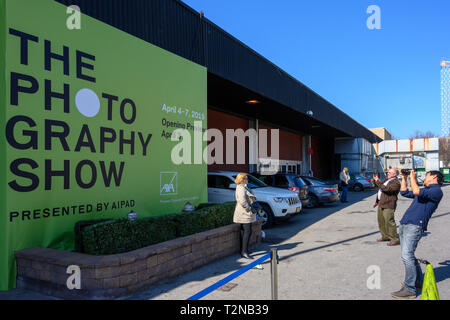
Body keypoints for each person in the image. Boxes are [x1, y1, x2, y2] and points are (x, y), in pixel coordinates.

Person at [391, 170, 444, 299]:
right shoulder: (426, 190)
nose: (424, 177)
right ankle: (418, 281)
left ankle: (409, 289)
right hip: (406, 224)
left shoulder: (436, 191)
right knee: (409, 255)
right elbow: (404, 192)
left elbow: (415, 191)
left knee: (406, 255)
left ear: (434, 177)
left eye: (427, 175)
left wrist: (412, 177)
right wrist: (404, 178)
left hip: (415, 225)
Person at [373, 168, 401, 246]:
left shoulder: (396, 182)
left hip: (388, 204)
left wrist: (378, 182)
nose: (387, 173)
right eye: (387, 172)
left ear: (395, 174)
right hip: (381, 203)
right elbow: (379, 186)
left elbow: (387, 189)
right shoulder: (386, 180)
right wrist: (375, 180)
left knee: (389, 222)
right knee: (381, 221)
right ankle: (385, 236)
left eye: (389, 172)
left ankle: (394, 239)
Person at [233, 173, 257, 259]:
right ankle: (244, 252)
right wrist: (249, 208)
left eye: (247, 178)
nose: (247, 179)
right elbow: (242, 201)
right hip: (244, 213)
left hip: (244, 212)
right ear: (241, 179)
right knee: (247, 231)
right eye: (245, 178)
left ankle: (243, 250)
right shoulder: (240, 188)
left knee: (244, 232)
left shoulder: (244, 186)